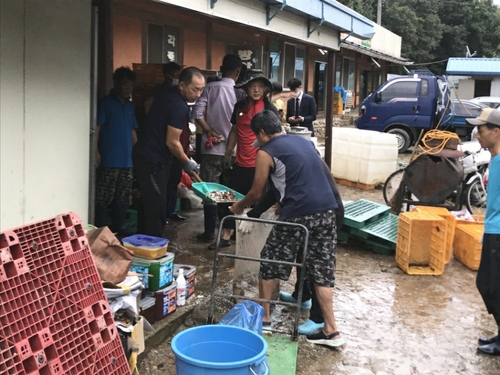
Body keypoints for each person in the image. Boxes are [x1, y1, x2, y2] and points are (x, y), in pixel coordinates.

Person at [229, 110, 345, 347]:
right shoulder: (304, 142)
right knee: (321, 271)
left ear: (262, 133)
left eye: (257, 136)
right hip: (327, 211)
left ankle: (266, 319)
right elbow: (302, 178)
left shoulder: (266, 152)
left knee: (269, 261)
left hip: (298, 214)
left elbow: (257, 191)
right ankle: (331, 331)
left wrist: (239, 207)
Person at [133, 67, 204, 237]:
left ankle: (141, 248)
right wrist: (187, 162)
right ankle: (153, 252)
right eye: (195, 89)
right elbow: (172, 142)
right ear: (181, 85)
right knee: (157, 208)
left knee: (148, 204)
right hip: (152, 160)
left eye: (201, 89)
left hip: (149, 156)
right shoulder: (179, 106)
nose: (198, 94)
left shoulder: (167, 92)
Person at [213, 70, 279, 250]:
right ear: (246, 88)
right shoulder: (239, 107)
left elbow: (275, 137)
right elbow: (234, 131)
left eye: (260, 86)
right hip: (240, 162)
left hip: (260, 164)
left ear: (265, 89)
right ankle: (226, 235)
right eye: (252, 86)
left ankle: (255, 239)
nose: (256, 90)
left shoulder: (269, 109)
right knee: (230, 199)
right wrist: (227, 154)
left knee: (258, 200)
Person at [192, 54, 244, 242]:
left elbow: (196, 113)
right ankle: (227, 231)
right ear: (238, 73)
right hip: (234, 151)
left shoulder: (209, 88)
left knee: (210, 192)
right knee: (229, 191)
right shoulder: (240, 91)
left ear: (222, 69)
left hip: (211, 150)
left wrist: (209, 130)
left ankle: (209, 232)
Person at [465, 108, 500, 356]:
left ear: (496, 133)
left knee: (491, 285)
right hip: (492, 230)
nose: (477, 134)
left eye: (481, 129)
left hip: (498, 233)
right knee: (488, 284)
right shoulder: (494, 160)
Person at [94, 66, 138, 236]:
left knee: (123, 195)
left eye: (131, 85)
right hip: (109, 158)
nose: (129, 89)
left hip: (127, 160)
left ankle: (119, 227)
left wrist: (137, 152)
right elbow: (97, 128)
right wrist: (95, 151)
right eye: (126, 84)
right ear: (116, 83)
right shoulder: (106, 103)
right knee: (104, 196)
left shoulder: (130, 106)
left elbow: (133, 131)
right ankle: (100, 229)